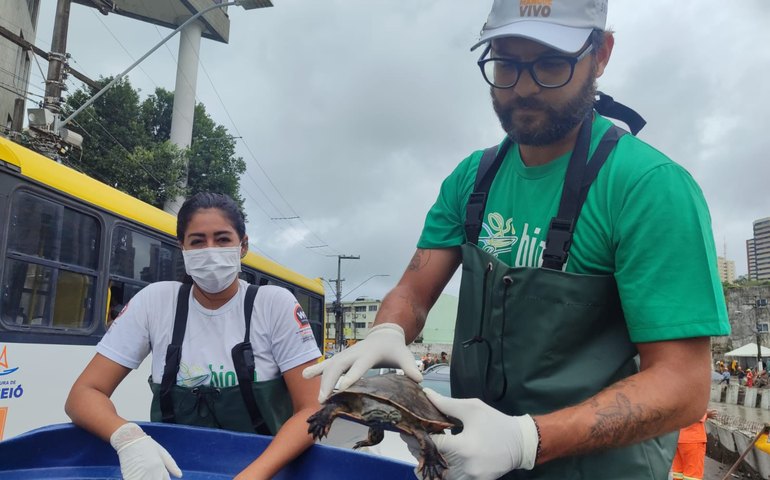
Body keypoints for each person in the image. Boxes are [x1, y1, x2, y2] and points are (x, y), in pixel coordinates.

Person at [304, 1, 730, 478]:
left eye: (551, 62)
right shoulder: (472, 179)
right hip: (469, 463)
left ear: (602, 54)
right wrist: (387, 330)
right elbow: (412, 291)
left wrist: (527, 440)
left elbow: (683, 384)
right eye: (505, 63)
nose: (523, 87)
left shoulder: (648, 187)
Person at [66, 192, 322, 480]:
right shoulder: (155, 302)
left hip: (267, 468)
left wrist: (253, 475)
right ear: (182, 247)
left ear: (243, 245)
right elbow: (83, 394)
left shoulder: (274, 304)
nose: (210, 250)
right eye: (198, 241)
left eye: (223, 239)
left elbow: (311, 409)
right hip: (177, 469)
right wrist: (128, 438)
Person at [671, 409, 718, 480]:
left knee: (678, 474)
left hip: (677, 438)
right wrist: (706, 414)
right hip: (693, 439)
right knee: (692, 476)